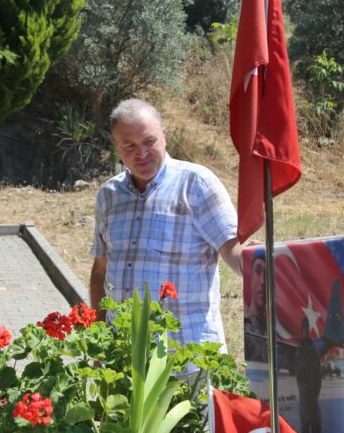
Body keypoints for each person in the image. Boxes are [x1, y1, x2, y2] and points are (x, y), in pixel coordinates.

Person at [89, 98, 244, 347]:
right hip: (122, 354)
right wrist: (98, 339)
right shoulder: (109, 194)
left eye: (149, 142)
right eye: (129, 146)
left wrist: (262, 264)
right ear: (116, 147)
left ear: (164, 136)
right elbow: (100, 272)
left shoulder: (196, 184)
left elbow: (234, 250)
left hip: (186, 358)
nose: (141, 154)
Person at [295, 317, 322, 433]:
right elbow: (298, 373)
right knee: (305, 428)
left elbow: (318, 371)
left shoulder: (313, 349)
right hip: (305, 394)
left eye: (307, 327)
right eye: (303, 328)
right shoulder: (299, 350)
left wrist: (316, 390)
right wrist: (303, 388)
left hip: (313, 394)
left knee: (316, 429)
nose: (305, 330)